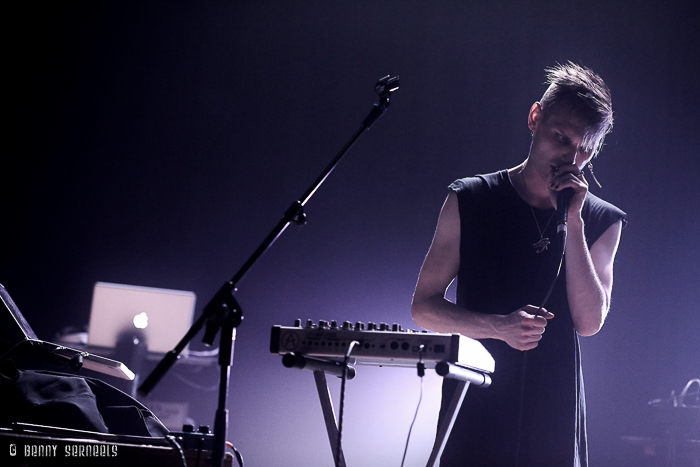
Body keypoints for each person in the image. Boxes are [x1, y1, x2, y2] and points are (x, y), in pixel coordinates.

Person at [411, 62, 626, 466]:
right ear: (534, 117)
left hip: (554, 408)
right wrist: (497, 327)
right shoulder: (471, 198)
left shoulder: (600, 219)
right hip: (477, 393)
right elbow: (423, 306)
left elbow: (589, 321)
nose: (569, 158)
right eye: (560, 138)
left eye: (584, 150)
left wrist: (574, 220)